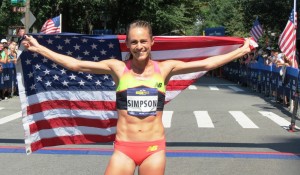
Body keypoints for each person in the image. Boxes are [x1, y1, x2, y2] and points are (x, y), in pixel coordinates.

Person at [22, 20, 251, 175]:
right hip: (123, 149)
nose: (139, 46)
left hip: (153, 149)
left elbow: (208, 63)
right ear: (127, 44)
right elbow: (76, 64)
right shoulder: (117, 68)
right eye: (134, 42)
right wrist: (39, 48)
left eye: (143, 41)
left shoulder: (166, 68)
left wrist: (242, 50)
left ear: (152, 42)